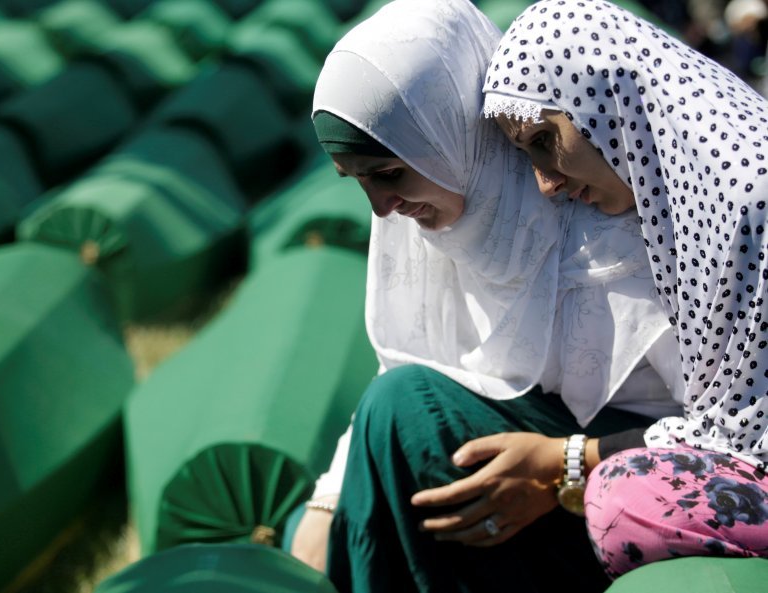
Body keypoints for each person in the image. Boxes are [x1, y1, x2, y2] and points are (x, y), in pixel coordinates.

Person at [292, 1, 688, 591]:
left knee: (404, 410)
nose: (380, 208)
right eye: (359, 182)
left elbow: (723, 430)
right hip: (530, 488)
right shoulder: (433, 225)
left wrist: (567, 466)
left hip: (640, 492)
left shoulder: (607, 220)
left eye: (389, 173)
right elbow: (405, 360)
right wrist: (327, 505)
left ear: (450, 130)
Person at [482, 0, 768, 577]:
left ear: (606, 100)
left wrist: (573, 460)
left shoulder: (748, 197)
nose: (546, 184)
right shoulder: (685, 198)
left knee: (626, 500)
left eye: (545, 140)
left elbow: (743, 437)